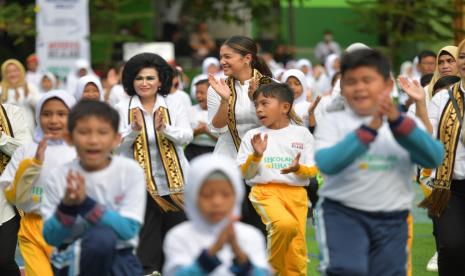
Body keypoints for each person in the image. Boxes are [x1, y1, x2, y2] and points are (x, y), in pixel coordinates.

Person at [314, 49, 444, 276]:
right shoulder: (334, 122)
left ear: (387, 85)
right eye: (351, 81)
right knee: (348, 270)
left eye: (367, 80)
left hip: (392, 218)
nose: (359, 87)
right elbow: (328, 163)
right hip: (343, 215)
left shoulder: (405, 124)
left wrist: (399, 125)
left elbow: (433, 157)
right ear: (342, 87)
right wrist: (367, 131)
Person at [41, 100, 146, 275]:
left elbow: (128, 230)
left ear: (116, 139)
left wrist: (85, 204)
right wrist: (67, 207)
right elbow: (51, 237)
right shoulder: (59, 177)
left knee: (103, 238)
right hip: (72, 258)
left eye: (102, 132)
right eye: (83, 132)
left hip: (120, 259)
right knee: (100, 238)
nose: (93, 140)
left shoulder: (130, 171)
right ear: (69, 138)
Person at [115, 53, 192, 275]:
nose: (144, 83)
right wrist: (133, 130)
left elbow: (187, 136)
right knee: (146, 244)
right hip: (138, 185)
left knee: (176, 238)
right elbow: (115, 146)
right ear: (131, 80)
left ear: (160, 81)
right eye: (139, 78)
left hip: (176, 186)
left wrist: (165, 129)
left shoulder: (174, 103)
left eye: (150, 78)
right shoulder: (121, 107)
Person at [237, 83, 318, 275]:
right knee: (284, 225)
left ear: (285, 107)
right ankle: (268, 270)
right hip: (265, 193)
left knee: (296, 252)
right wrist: (256, 156)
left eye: (265, 103)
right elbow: (244, 173)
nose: (259, 109)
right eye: (256, 104)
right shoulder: (252, 136)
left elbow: (314, 170)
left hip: (297, 196)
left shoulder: (302, 134)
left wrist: (299, 168)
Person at [1, 91, 76, 276]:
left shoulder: (84, 148)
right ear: (38, 116)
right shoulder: (27, 150)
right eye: (47, 114)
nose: (53, 120)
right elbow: (11, 191)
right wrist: (34, 165)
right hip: (34, 229)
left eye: (61, 113)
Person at [207, 35, 274, 235]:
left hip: (262, 161)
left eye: (228, 56)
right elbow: (217, 128)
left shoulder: (271, 85)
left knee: (260, 222)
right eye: (221, 57)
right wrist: (225, 100)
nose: (222, 62)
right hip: (228, 160)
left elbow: (277, 124)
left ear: (247, 58)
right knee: (229, 222)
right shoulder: (218, 87)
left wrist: (258, 99)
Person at [163, 154, 270, 275]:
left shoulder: (250, 236)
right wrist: (212, 252)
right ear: (193, 196)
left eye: (225, 194)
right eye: (207, 195)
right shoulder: (179, 236)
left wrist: (238, 253)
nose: (217, 202)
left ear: (237, 196)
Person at [419, 39, 465, 275]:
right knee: (452, 246)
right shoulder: (442, 98)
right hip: (450, 186)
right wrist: (419, 102)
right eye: (464, 56)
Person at [0, 99, 34, 276]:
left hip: (6, 203)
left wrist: (1, 138)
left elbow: (25, 150)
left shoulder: (13, 113)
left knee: (3, 261)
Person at [0, 59, 41, 131]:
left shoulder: (29, 86)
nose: (12, 74)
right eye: (8, 72)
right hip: (7, 131)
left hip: (27, 129)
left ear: (21, 71)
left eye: (15, 71)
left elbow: (39, 104)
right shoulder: (1, 88)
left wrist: (28, 95)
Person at [185, 76, 217, 161]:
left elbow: (225, 140)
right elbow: (183, 136)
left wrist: (207, 131)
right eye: (197, 92)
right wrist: (196, 132)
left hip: (214, 152)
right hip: (192, 151)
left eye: (202, 93)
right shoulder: (190, 111)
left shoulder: (219, 112)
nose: (198, 96)